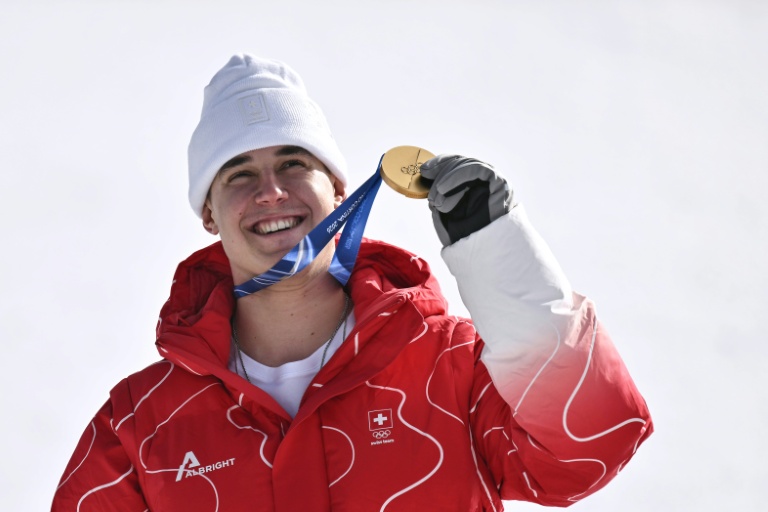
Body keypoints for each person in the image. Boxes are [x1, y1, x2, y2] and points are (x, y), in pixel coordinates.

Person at [52, 54, 653, 512]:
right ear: (208, 214)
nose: (271, 191)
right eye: (238, 173)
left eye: (294, 162)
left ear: (339, 188)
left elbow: (588, 445)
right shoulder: (142, 421)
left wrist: (497, 250)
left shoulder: (448, 365)